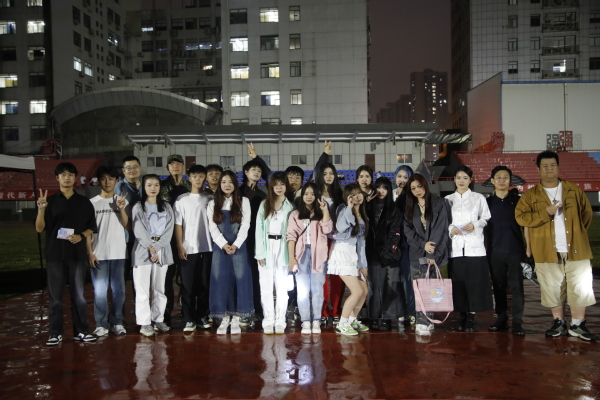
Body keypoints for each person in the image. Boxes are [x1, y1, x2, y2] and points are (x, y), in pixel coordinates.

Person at [515, 151, 596, 341]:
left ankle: (577, 324)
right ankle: (559, 322)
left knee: (580, 286)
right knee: (552, 287)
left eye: (552, 165)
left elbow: (586, 214)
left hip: (576, 249)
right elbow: (521, 218)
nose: (549, 169)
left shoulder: (573, 190)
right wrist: (546, 212)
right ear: (538, 169)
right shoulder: (530, 195)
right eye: (544, 166)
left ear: (558, 167)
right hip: (546, 250)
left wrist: (577, 234)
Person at [36, 162, 98, 346]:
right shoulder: (49, 202)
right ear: (57, 178)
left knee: (78, 296)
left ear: (75, 177)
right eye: (63, 175)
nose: (67, 178)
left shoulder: (84, 202)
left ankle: (81, 331)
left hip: (76, 255)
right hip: (55, 254)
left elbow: (91, 227)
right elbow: (39, 228)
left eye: (71, 174)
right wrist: (41, 210)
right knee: (55, 297)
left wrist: (80, 236)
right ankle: (55, 333)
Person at [445, 166, 493, 332]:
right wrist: (451, 228)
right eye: (458, 177)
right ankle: (462, 316)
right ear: (454, 180)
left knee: (474, 284)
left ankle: (471, 318)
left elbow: (486, 217)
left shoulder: (478, 198)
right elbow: (444, 221)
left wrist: (475, 224)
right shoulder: (448, 199)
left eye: (465, 178)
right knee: (458, 285)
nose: (461, 181)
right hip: (456, 248)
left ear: (470, 180)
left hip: (474, 248)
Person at [207, 170, 253, 335]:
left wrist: (236, 244)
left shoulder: (243, 201)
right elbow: (212, 227)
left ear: (235, 184)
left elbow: (246, 225)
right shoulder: (213, 203)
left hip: (238, 247)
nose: (227, 185)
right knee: (221, 280)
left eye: (230, 182)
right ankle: (224, 316)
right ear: (219, 184)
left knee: (239, 280)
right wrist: (224, 244)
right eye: (224, 182)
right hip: (220, 248)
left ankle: (237, 317)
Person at [404, 173, 449, 337]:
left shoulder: (438, 203)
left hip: (435, 252)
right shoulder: (409, 206)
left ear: (425, 185)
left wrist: (432, 251)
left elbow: (441, 229)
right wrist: (423, 244)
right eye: (413, 188)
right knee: (419, 289)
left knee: (431, 289)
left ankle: (427, 320)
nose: (417, 190)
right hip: (417, 253)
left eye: (419, 186)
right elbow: (408, 231)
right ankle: (421, 322)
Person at [86, 166, 129, 337]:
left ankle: (117, 322)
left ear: (116, 181)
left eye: (111, 179)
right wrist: (90, 252)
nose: (107, 182)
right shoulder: (92, 203)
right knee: (100, 291)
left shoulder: (122, 200)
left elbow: (127, 225)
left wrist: (121, 208)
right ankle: (101, 324)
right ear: (98, 181)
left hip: (118, 253)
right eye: (103, 178)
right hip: (99, 253)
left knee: (119, 290)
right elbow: (88, 231)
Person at [132, 174, 175, 337]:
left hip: (162, 250)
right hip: (143, 250)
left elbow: (169, 230)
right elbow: (138, 230)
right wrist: (151, 249)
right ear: (144, 187)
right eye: (149, 185)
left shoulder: (166, 206)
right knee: (142, 289)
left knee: (159, 288)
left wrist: (156, 248)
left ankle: (158, 319)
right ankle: (144, 322)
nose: (153, 188)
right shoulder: (138, 206)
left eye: (156, 185)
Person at [287, 183, 333, 334]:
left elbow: (328, 229)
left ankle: (316, 321)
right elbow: (291, 237)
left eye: (312, 194)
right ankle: (306, 321)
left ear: (317, 196)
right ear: (302, 196)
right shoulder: (295, 214)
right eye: (306, 193)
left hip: (318, 254)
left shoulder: (320, 213)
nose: (309, 196)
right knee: (302, 290)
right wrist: (292, 258)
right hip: (301, 255)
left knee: (318, 289)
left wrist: (325, 210)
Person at [486, 166, 526, 335]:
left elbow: (527, 226)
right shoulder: (487, 203)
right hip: (494, 252)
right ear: (492, 180)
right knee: (498, 287)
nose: (502, 180)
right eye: (498, 177)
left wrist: (528, 251)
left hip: (515, 250)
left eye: (505, 177)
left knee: (517, 287)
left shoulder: (518, 201)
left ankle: (517, 322)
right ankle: (501, 318)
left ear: (510, 180)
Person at [174, 164, 213, 332]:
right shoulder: (181, 200)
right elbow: (178, 224)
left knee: (205, 285)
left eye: (201, 176)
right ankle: (189, 319)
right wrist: (179, 245)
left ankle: (203, 316)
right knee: (188, 286)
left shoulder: (211, 198)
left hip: (208, 248)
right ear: (189, 178)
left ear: (205, 178)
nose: (198, 179)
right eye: (194, 176)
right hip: (188, 248)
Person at [255, 172, 295, 334]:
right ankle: (268, 319)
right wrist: (260, 253)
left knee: (282, 287)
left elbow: (292, 232)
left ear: (286, 186)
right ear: (271, 187)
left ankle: (280, 319)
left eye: (282, 184)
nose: (279, 188)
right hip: (266, 246)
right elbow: (259, 229)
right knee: (265, 286)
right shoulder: (265, 204)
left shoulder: (290, 207)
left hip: (283, 247)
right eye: (276, 184)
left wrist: (291, 255)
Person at [327, 184, 370, 336]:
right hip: (342, 252)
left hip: (353, 255)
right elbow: (339, 227)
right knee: (357, 291)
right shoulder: (343, 209)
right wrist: (350, 208)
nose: (357, 197)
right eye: (353, 194)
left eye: (359, 193)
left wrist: (363, 265)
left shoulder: (363, 214)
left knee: (364, 291)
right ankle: (342, 324)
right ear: (347, 197)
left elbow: (361, 243)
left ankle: (352, 320)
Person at [366, 177, 402, 331]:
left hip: (390, 253)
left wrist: (387, 252)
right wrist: (366, 204)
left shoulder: (394, 209)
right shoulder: (368, 207)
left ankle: (387, 318)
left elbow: (395, 232)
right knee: (375, 286)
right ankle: (374, 317)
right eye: (378, 187)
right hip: (372, 253)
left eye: (384, 188)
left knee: (390, 286)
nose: (381, 191)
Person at [242, 143, 272, 326]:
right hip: (240, 240)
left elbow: (271, 176)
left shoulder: (262, 194)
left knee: (256, 275)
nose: (257, 172)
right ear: (245, 172)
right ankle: (242, 310)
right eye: (253, 169)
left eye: (259, 170)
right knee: (242, 276)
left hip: (257, 240)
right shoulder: (238, 192)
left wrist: (256, 157)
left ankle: (257, 310)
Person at [160, 154, 191, 326]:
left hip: (187, 236)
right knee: (167, 277)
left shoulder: (189, 185)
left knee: (186, 277)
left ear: (183, 166)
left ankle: (187, 312)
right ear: (168, 167)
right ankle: (166, 312)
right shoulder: (161, 186)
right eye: (171, 164)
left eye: (178, 163)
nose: (175, 166)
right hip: (167, 238)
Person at [314, 160, 345, 325]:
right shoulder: (315, 194)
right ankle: (323, 311)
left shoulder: (340, 194)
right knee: (322, 277)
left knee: (337, 276)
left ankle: (336, 311)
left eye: (331, 173)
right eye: (325, 173)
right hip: (321, 240)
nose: (328, 176)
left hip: (338, 241)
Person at [114, 155, 144, 312]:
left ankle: (139, 310)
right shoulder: (119, 187)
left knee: (139, 277)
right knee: (122, 277)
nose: (132, 170)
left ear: (140, 168)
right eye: (128, 168)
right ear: (123, 170)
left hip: (143, 240)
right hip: (126, 239)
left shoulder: (145, 184)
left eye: (135, 167)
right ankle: (118, 314)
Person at [391, 164, 415, 327]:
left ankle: (410, 311)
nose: (402, 180)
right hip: (392, 244)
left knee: (407, 278)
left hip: (407, 244)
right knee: (395, 279)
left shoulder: (413, 197)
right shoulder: (389, 195)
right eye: (399, 176)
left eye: (405, 177)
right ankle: (399, 310)